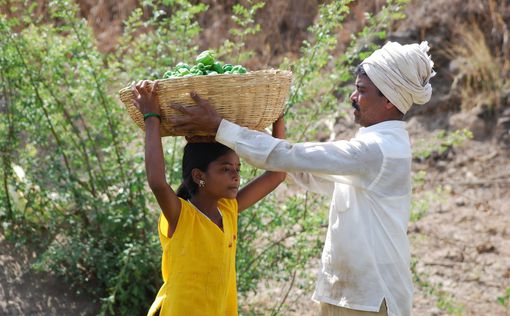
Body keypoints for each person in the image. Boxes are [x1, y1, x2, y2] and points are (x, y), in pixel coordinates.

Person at [167, 41, 436, 316]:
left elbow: (291, 158)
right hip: (351, 296)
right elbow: (304, 171)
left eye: (361, 90)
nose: (353, 97)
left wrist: (223, 128)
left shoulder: (378, 151)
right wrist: (253, 132)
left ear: (389, 100)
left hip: (371, 299)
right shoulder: (373, 146)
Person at [131, 80, 286, 316]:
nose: (235, 176)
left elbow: (277, 174)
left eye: (237, 169)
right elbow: (157, 182)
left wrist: (278, 115)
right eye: (226, 169)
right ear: (199, 175)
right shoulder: (181, 216)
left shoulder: (228, 210)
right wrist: (152, 117)